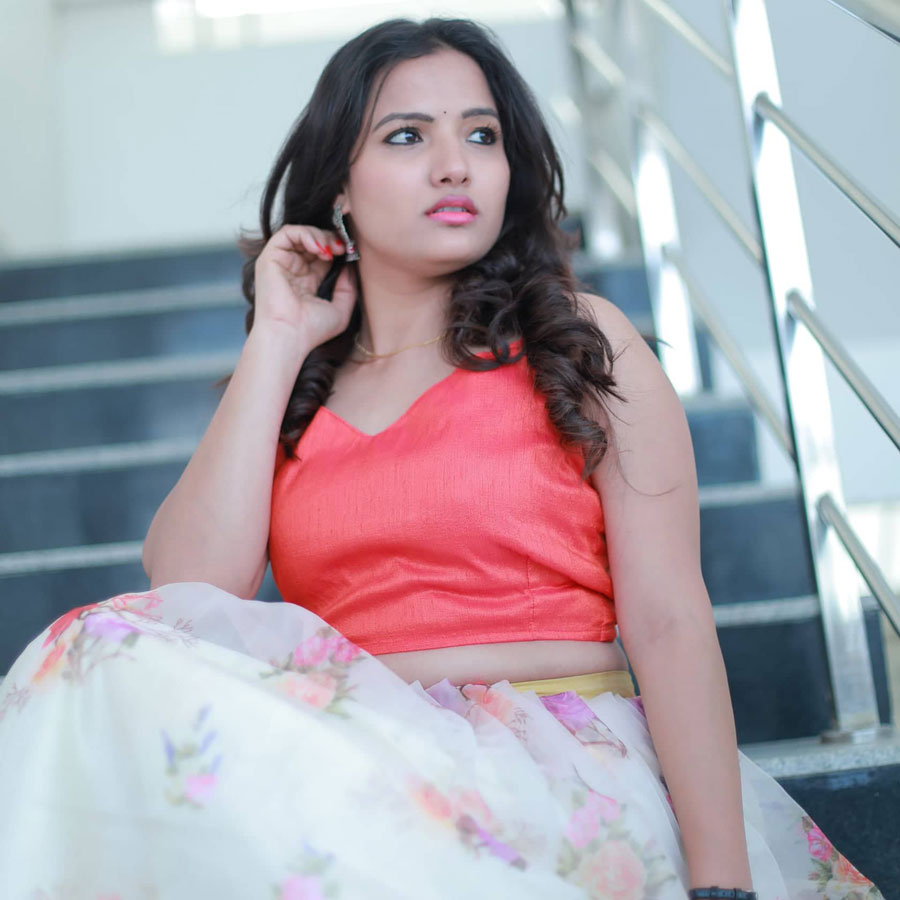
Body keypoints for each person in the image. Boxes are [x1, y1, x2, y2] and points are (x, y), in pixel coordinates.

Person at [0, 16, 884, 900]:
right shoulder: (294, 389)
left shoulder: (578, 343)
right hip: (359, 773)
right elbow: (184, 597)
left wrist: (721, 881)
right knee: (95, 643)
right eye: (407, 136)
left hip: (554, 773)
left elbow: (669, 621)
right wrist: (276, 339)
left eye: (482, 135)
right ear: (339, 189)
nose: (455, 164)